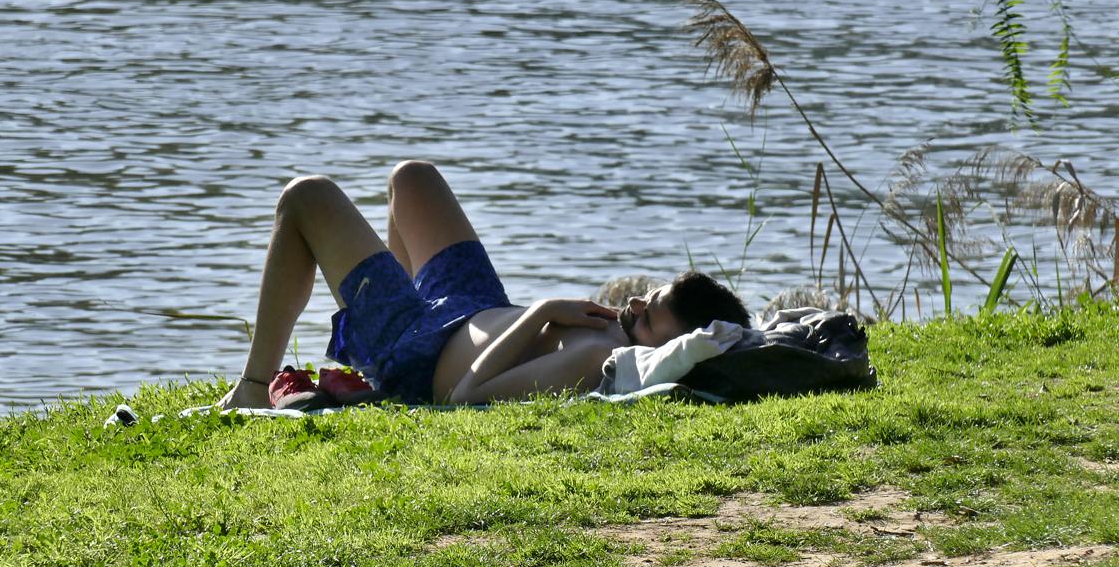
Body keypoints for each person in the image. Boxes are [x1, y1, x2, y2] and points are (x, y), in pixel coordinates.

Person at [215, 161, 751, 409]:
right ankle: (374, 326)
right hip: (471, 305)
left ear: (672, 345)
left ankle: (253, 387)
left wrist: (541, 311)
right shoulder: (610, 334)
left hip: (418, 352)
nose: (635, 304)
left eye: (651, 313)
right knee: (413, 178)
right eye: (648, 296)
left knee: (307, 197)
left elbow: (464, 395)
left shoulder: (598, 359)